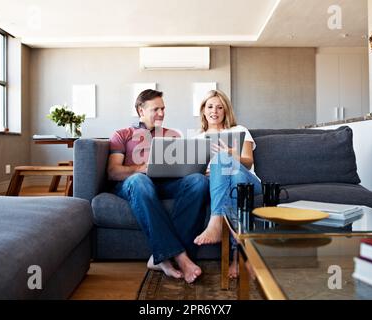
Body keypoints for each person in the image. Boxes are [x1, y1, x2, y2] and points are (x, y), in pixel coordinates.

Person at [108, 89, 208, 284]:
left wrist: (196, 168)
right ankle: (180, 258)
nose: (161, 113)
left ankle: (162, 257)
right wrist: (140, 168)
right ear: (140, 111)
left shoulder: (173, 135)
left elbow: (183, 167)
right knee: (140, 180)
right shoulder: (122, 135)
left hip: (166, 183)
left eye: (163, 109)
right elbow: (113, 172)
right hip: (135, 184)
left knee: (198, 181)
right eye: (156, 109)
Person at [193, 89, 261, 278]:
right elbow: (193, 173)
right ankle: (238, 256)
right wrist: (210, 170)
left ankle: (216, 220)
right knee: (234, 182)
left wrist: (229, 154)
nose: (215, 111)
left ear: (226, 111)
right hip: (224, 183)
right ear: (204, 110)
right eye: (210, 106)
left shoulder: (239, 131)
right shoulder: (197, 138)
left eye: (220, 107)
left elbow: (248, 162)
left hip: (250, 181)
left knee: (235, 173)